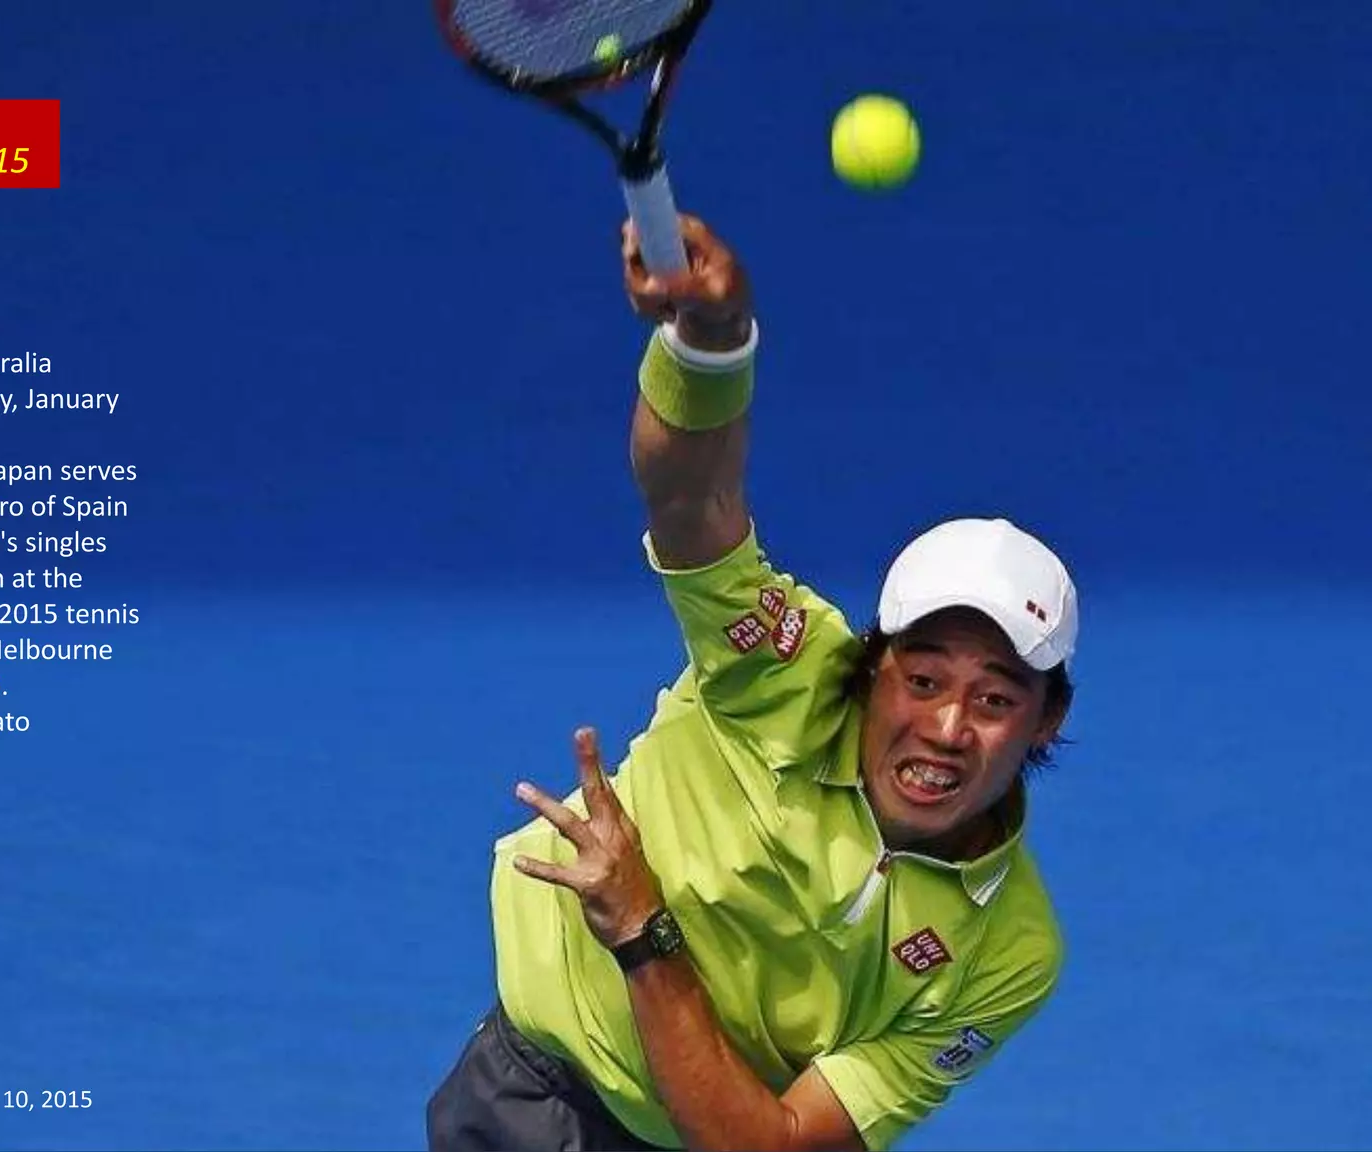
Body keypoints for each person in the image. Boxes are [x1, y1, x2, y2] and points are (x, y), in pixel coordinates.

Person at [426, 215, 1080, 1152]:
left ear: (1046, 721)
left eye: (994, 699)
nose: (946, 727)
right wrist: (711, 342)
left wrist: (642, 927)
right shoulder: (781, 665)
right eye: (924, 677)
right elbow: (690, 497)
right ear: (874, 668)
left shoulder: (1010, 951)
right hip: (537, 1102)